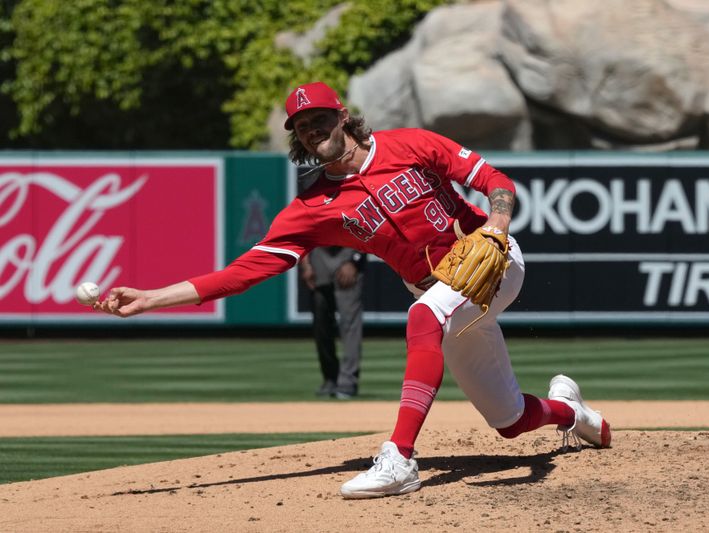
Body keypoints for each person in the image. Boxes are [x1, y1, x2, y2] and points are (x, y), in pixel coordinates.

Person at [95, 81, 611, 499]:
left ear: (343, 117)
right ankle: (573, 411)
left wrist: (497, 224)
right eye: (301, 126)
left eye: (320, 118)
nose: (312, 129)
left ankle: (400, 459)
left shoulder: (410, 144)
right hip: (438, 294)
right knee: (510, 421)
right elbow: (245, 271)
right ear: (297, 139)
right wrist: (151, 298)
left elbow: (496, 180)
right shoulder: (313, 207)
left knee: (424, 318)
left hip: (493, 258)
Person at [299, 246, 365, 399]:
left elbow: (370, 227)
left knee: (349, 325)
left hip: (347, 250)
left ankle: (347, 382)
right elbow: (303, 229)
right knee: (321, 324)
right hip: (319, 251)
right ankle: (330, 378)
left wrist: (354, 260)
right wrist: (306, 263)